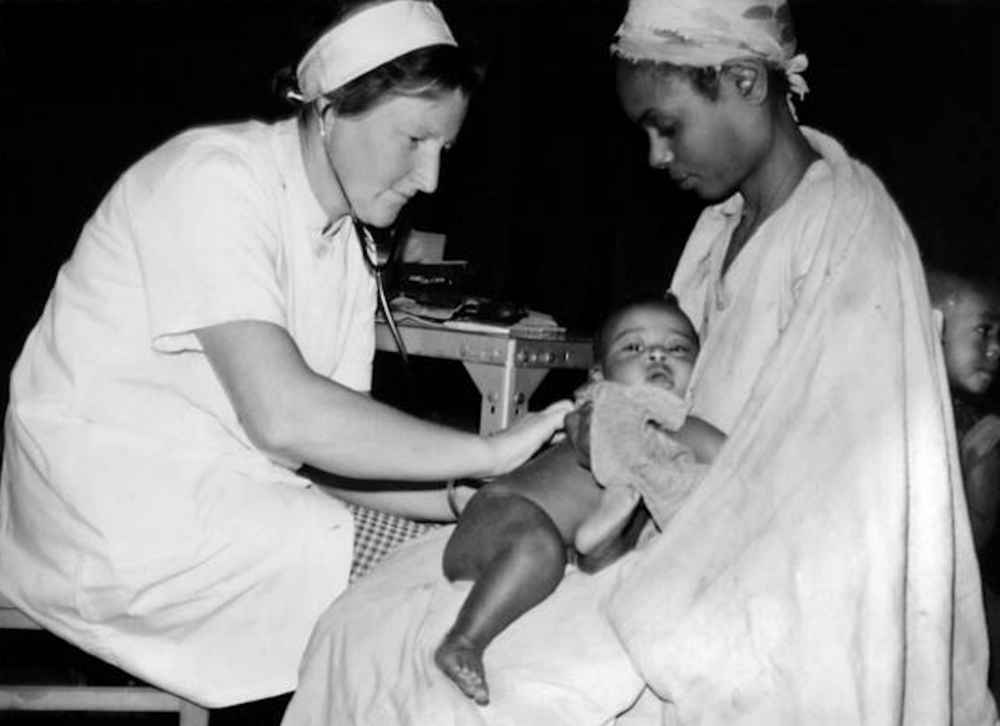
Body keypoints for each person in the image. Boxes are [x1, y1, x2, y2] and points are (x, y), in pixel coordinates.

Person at [280, 0, 997, 722]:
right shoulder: (724, 224)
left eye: (667, 126)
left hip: (763, 572)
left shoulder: (848, 229)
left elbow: (827, 492)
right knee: (367, 625)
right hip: (659, 528)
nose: (656, 157)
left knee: (504, 698)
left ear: (746, 81)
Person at [0, 0, 571, 710]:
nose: (430, 179)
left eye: (443, 150)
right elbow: (286, 418)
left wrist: (469, 501)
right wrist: (487, 456)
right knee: (425, 607)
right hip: (116, 512)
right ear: (330, 108)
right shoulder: (212, 180)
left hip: (228, 498)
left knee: (463, 575)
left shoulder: (344, 241)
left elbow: (331, 451)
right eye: (413, 139)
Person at [435, 295, 725, 705]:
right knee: (539, 549)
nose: (658, 354)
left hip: (570, 535)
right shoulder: (609, 409)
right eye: (634, 347)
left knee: (617, 541)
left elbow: (727, 457)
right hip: (500, 511)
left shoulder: (675, 427)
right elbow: (733, 456)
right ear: (599, 375)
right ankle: (463, 640)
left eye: (678, 349)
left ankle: (597, 539)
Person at [927, 267, 1000, 698]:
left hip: (962, 614)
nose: (994, 350)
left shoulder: (978, 427)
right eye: (984, 328)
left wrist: (974, 463)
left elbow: (971, 544)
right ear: (936, 317)